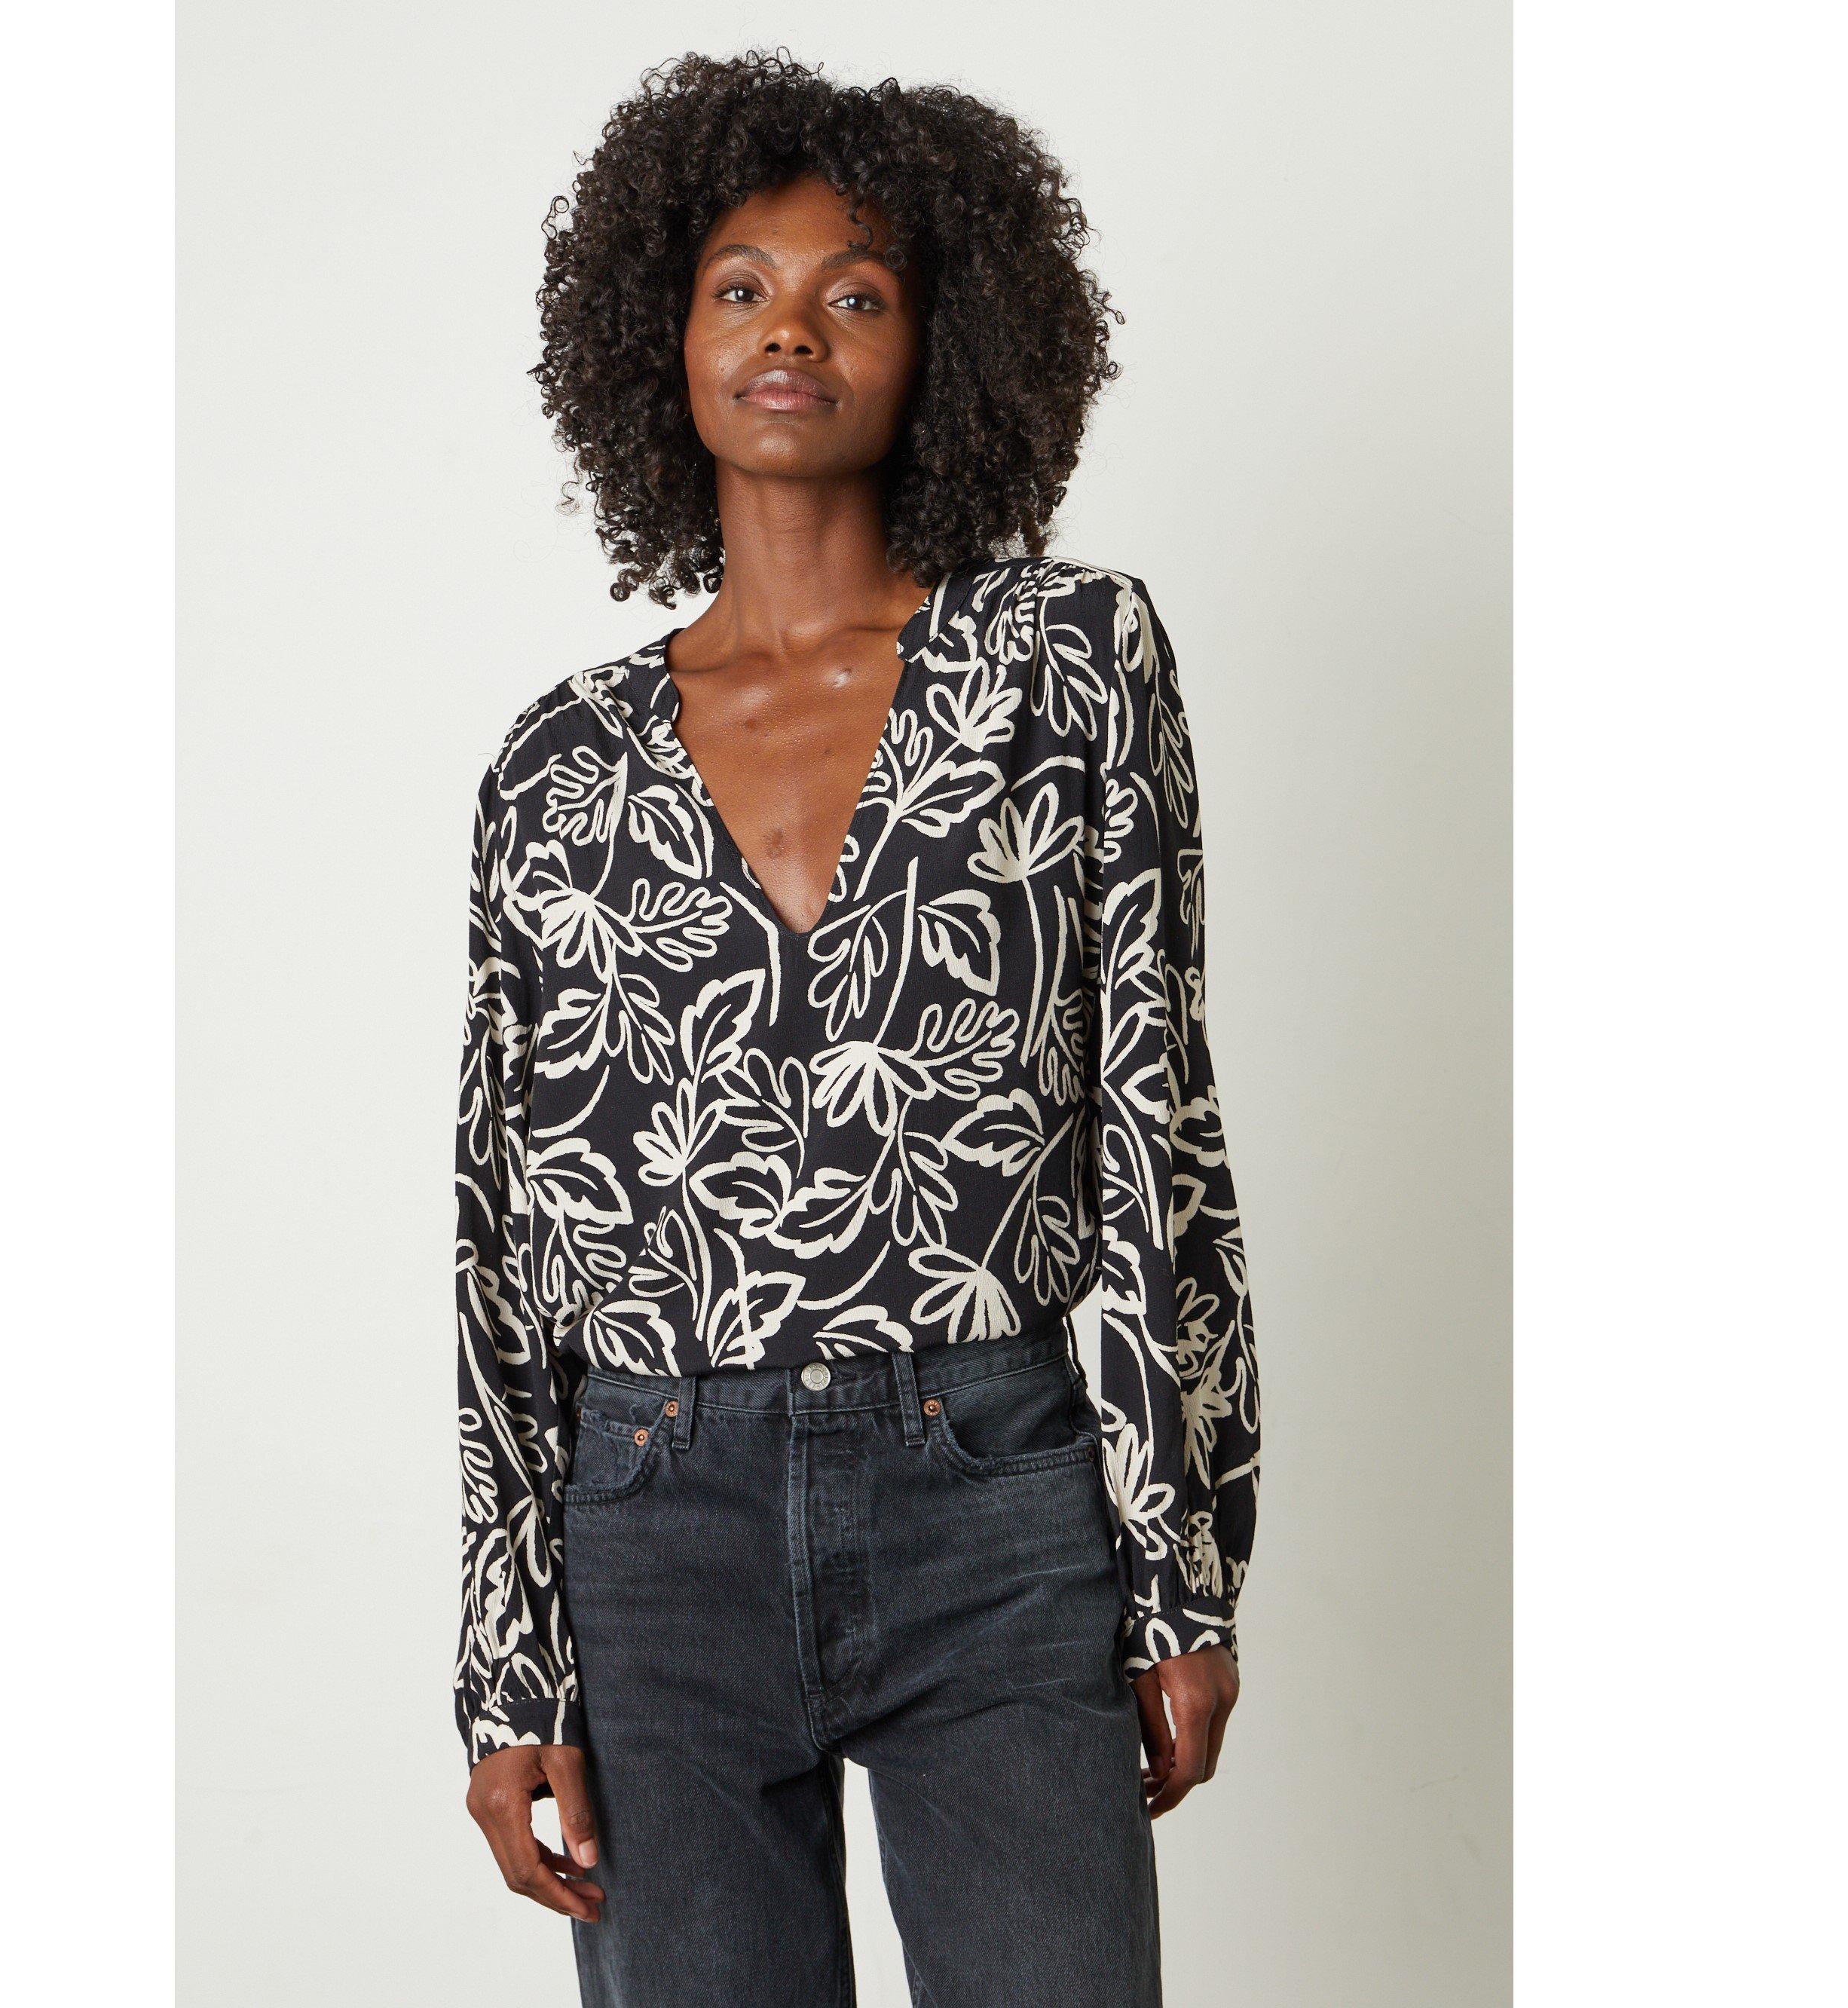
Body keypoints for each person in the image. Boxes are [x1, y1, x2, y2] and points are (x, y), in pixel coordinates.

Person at [454, 50, 1258, 2008]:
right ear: (662, 338)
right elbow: (505, 1228)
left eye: (857, 292)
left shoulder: (1072, 664)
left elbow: (1156, 1118)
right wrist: (508, 1663)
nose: (791, 330)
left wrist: (1181, 1556)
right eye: (740, 285)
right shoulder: (556, 766)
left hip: (991, 1481)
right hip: (656, 1514)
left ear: (946, 346)